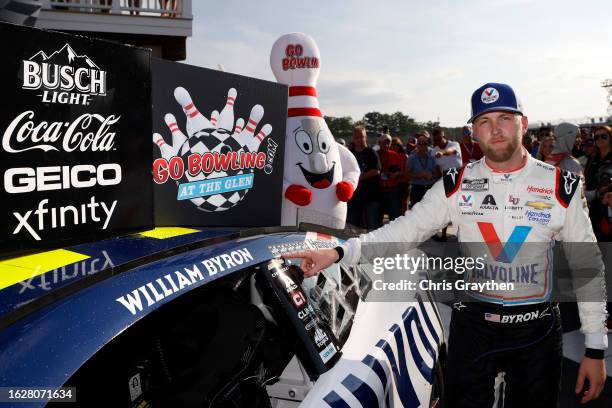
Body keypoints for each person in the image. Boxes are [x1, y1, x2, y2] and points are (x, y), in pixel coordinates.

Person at [285, 82, 608, 407]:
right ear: (474, 133)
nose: (495, 130)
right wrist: (339, 252)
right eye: (484, 122)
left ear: (523, 123)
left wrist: (595, 348)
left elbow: (588, 267)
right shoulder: (457, 184)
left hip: (536, 331)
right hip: (474, 326)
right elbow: (404, 230)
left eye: (505, 118)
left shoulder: (561, 186)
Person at [347, 127, 381, 230]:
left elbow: (376, 170)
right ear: (353, 138)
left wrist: (359, 177)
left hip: (371, 195)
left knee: (372, 225)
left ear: (365, 137)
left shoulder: (371, 152)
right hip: (354, 197)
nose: (359, 139)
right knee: (354, 225)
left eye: (361, 137)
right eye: (356, 137)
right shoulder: (350, 153)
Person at [584, 125, 612, 241]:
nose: (599, 139)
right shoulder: (593, 158)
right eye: (596, 137)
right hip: (594, 207)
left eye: (603, 136)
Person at [376, 133, 404, 222]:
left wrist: (396, 174)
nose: (386, 145)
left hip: (392, 190)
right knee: (377, 218)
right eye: (384, 143)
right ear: (379, 143)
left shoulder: (395, 155)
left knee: (394, 218)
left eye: (388, 143)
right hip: (378, 190)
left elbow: (402, 171)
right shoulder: (374, 154)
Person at [407, 132, 438, 207]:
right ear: (417, 145)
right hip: (417, 188)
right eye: (420, 144)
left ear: (428, 144)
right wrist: (418, 175)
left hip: (430, 188)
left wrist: (432, 175)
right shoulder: (412, 158)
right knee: (416, 213)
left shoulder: (433, 156)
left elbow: (438, 173)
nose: (423, 146)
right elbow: (407, 174)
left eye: (425, 144)